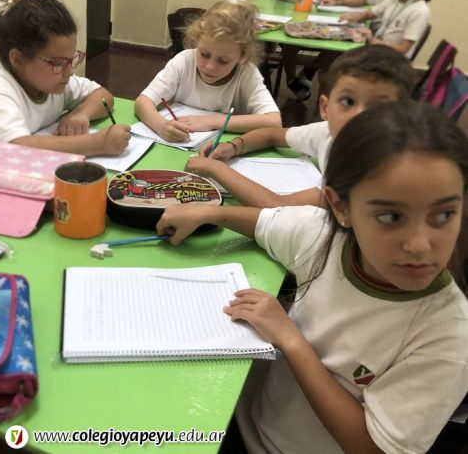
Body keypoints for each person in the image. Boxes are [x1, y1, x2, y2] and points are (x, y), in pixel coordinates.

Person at [157, 99, 468, 453]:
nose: (420, 245)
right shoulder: (325, 235)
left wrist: (290, 338)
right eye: (392, 217)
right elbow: (265, 222)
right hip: (243, 414)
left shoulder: (449, 336)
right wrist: (209, 213)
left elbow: (373, 449)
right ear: (340, 207)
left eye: (444, 215)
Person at [185, 45, 414, 208]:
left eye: (377, 106)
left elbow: (278, 206)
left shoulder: (372, 172)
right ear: (325, 107)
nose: (358, 115)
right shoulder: (328, 133)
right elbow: (271, 135)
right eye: (348, 102)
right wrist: (234, 147)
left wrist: (217, 170)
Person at [0, 0, 129, 156]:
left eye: (71, 59)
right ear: (18, 59)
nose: (69, 72)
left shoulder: (52, 79)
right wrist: (98, 144)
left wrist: (81, 115)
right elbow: (17, 148)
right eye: (59, 63)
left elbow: (103, 96)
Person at [134, 0, 281, 143]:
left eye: (223, 61)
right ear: (197, 40)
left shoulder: (246, 72)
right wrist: (162, 126)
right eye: (204, 54)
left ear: (242, 55)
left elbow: (274, 122)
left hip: (223, 147)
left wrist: (213, 121)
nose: (210, 66)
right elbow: (142, 102)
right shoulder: (184, 61)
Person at [284, 0, 359, 100]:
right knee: (288, 44)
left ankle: (309, 70)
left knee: (338, 47)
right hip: (304, 21)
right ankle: (291, 80)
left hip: (328, 24)